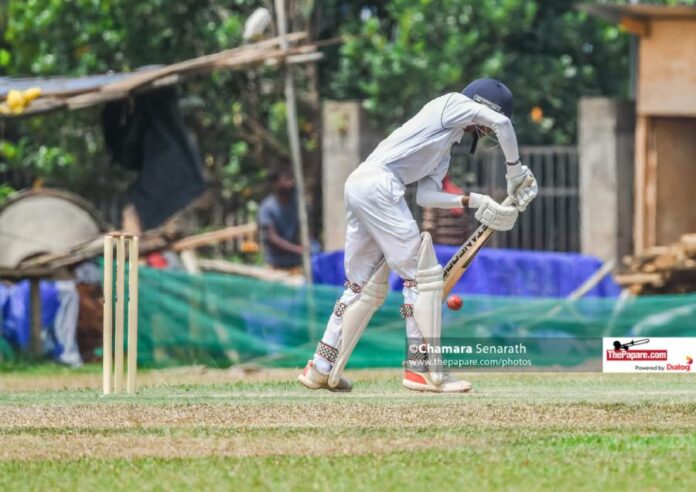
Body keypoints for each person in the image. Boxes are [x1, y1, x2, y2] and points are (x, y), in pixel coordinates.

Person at [298, 79, 538, 393]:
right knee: (423, 278)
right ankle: (421, 369)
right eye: (486, 126)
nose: (489, 133)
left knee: (361, 285)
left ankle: (320, 365)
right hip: (380, 186)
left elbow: (427, 196)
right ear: (483, 106)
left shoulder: (445, 143)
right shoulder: (452, 104)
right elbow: (503, 123)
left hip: (360, 184)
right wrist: (515, 171)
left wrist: (474, 200)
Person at [258, 168, 303, 271]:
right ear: (276, 183)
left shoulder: (296, 205)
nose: (290, 184)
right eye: (286, 180)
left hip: (294, 262)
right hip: (275, 262)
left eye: (291, 180)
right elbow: (272, 237)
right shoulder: (267, 207)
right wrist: (297, 249)